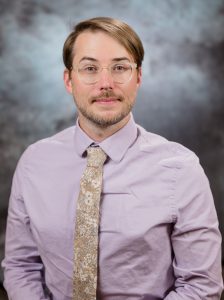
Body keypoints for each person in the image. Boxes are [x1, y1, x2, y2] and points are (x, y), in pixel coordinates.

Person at [1, 17, 223, 300]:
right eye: (90, 68)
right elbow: (21, 267)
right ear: (69, 80)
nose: (105, 83)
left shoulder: (181, 168)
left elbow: (201, 286)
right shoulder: (34, 162)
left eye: (120, 68)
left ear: (138, 77)